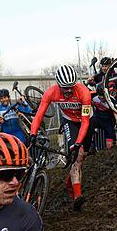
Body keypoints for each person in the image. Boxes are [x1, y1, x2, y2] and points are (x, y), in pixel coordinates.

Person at [30, 66, 92, 211]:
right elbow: (39, 115)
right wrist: (33, 133)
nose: (69, 90)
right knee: (78, 155)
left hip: (86, 121)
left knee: (82, 157)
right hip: (69, 121)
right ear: (59, 85)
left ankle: (69, 183)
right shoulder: (51, 92)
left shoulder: (83, 92)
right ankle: (77, 197)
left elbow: (85, 121)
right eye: (65, 88)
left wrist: (78, 142)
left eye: (71, 87)